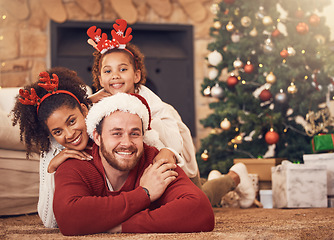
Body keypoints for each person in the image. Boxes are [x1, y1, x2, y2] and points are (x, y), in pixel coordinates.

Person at [87, 19, 256, 207]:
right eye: (108, 71)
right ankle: (214, 180)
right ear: (100, 79)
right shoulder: (101, 103)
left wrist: (170, 151)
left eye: (123, 69)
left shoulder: (147, 99)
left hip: (171, 145)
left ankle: (234, 177)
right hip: (142, 163)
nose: (115, 75)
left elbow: (170, 127)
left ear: (136, 76)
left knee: (197, 200)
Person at [11, 67, 179, 229]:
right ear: (50, 134)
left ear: (84, 111)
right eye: (57, 131)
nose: (69, 134)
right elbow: (50, 222)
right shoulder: (53, 148)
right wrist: (52, 169)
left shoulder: (106, 123)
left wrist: (168, 150)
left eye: (72, 121)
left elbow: (149, 141)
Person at [53, 93, 215, 235]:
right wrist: (144, 193)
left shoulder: (154, 160)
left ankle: (233, 177)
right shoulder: (76, 164)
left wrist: (120, 225)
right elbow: (69, 219)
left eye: (134, 133)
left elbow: (200, 210)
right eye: (116, 133)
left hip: (191, 179)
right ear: (97, 137)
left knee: (209, 194)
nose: (127, 143)